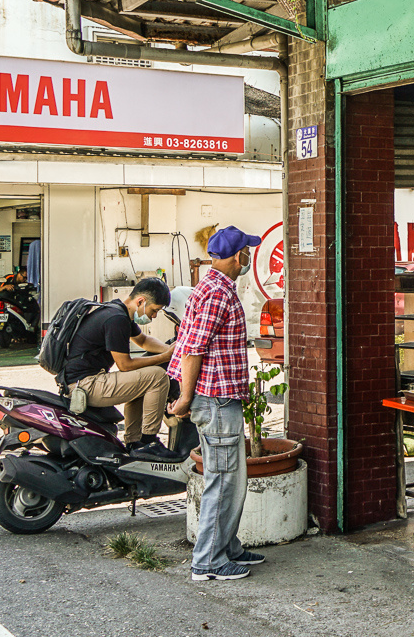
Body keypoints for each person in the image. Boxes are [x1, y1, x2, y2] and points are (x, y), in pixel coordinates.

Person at [167, 226, 264, 581]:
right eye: (247, 253)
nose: (249, 259)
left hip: (220, 397)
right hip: (216, 399)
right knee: (223, 480)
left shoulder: (211, 287)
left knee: (231, 478)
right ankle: (208, 561)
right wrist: (186, 397)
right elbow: (194, 348)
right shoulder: (217, 294)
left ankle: (228, 547)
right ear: (239, 256)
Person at [63, 278, 177, 458]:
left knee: (143, 378)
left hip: (82, 382)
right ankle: (149, 443)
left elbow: (143, 341)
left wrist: (171, 350)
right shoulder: (116, 319)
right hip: (86, 386)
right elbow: (125, 365)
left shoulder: (117, 311)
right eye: (154, 310)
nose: (154, 316)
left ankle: (134, 442)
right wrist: (164, 357)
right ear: (141, 301)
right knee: (157, 376)